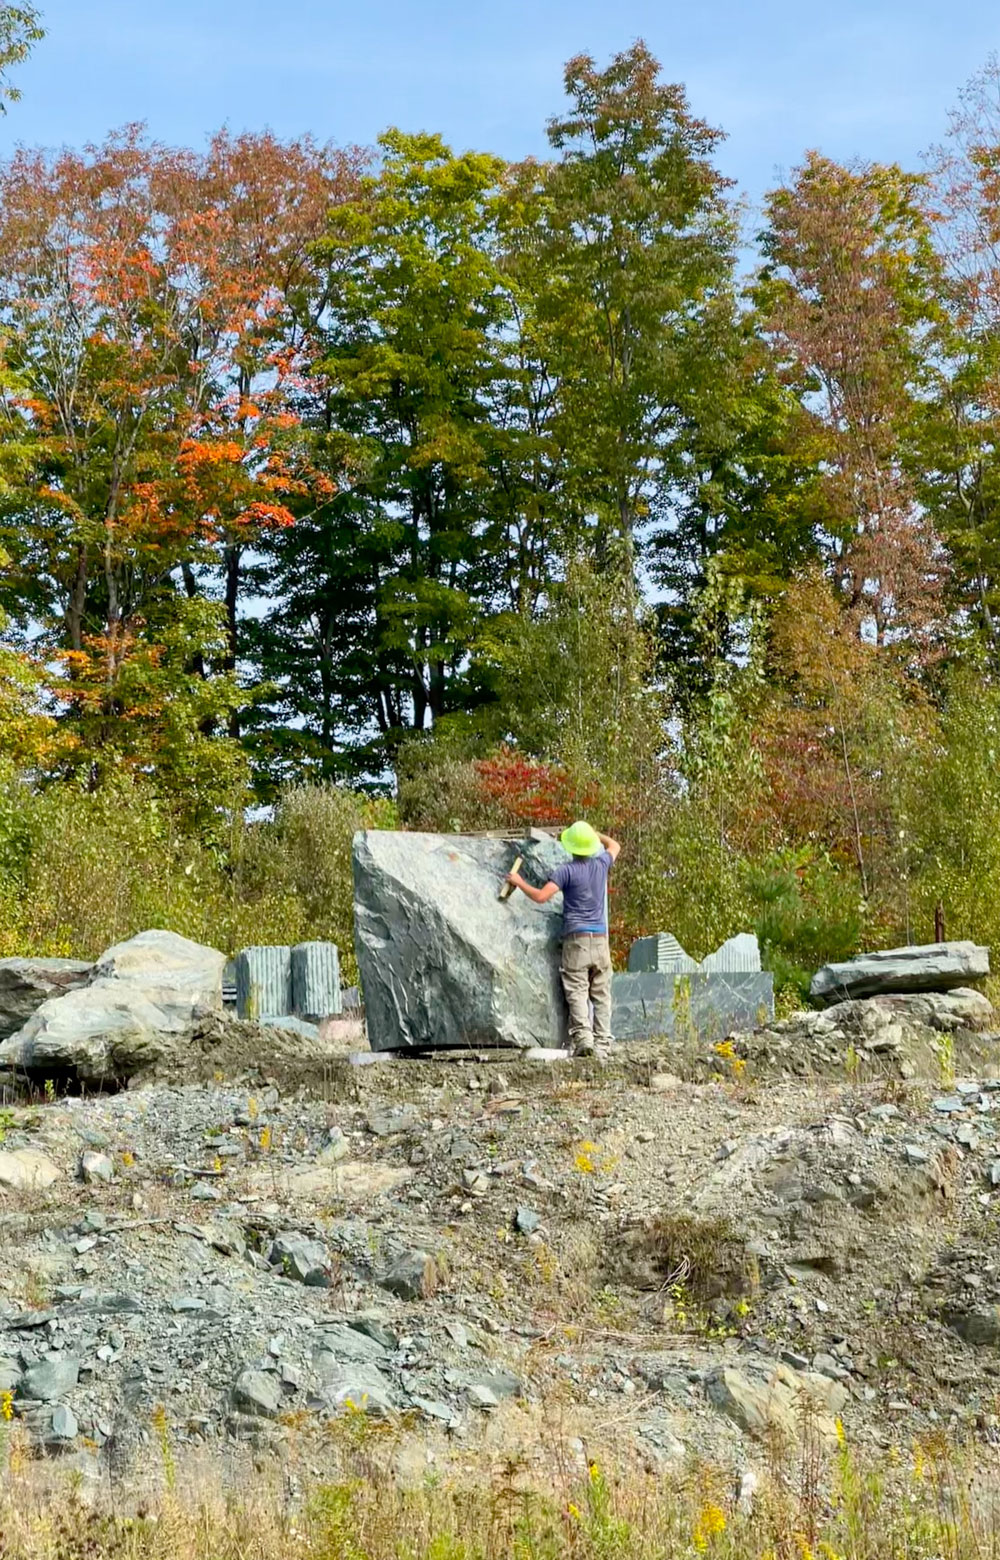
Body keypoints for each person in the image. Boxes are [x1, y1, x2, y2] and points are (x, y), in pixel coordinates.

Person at [505, 821, 621, 1058]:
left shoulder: (565, 871)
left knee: (577, 990)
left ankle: (584, 1041)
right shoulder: (601, 864)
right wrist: (595, 834)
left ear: (571, 847)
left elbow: (541, 896)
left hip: (576, 940)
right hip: (600, 940)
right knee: (601, 993)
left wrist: (518, 882)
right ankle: (603, 1044)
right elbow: (614, 845)